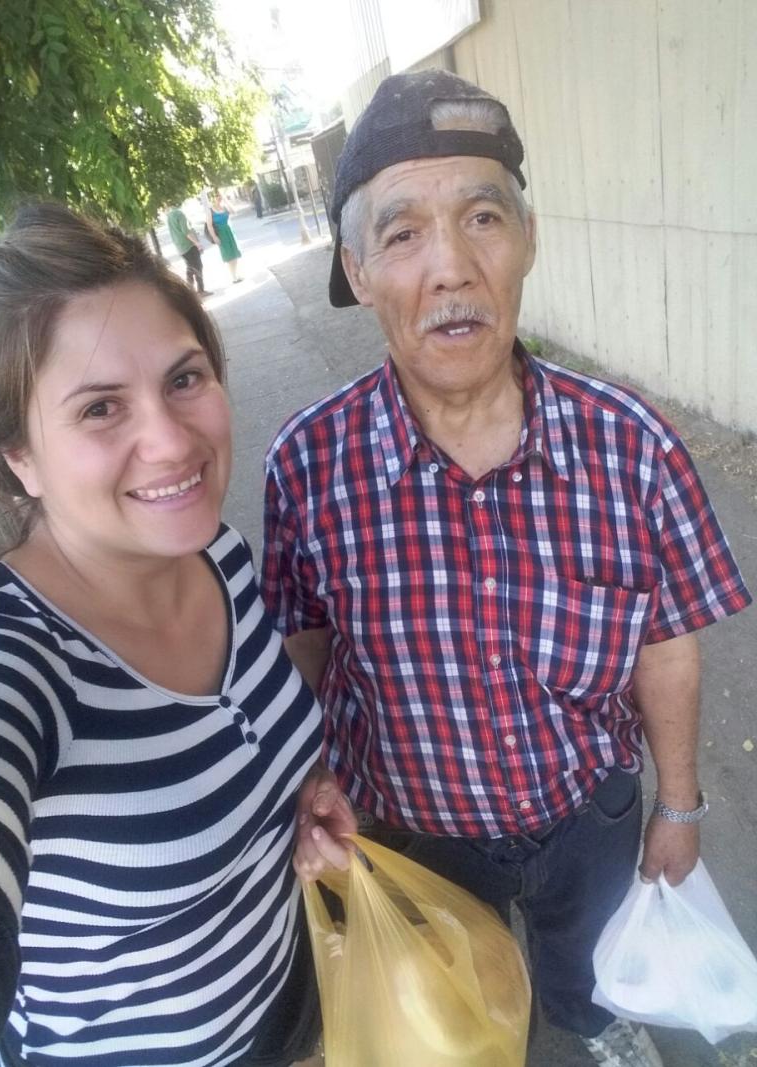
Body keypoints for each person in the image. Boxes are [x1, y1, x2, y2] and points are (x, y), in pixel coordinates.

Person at [261, 69, 752, 1067]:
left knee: (581, 971)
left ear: (527, 238)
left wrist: (677, 806)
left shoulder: (632, 447)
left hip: (587, 815)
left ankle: (589, 1019)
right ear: (357, 269)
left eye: (483, 218)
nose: (451, 266)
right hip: (412, 830)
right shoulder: (306, 467)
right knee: (458, 1010)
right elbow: (301, 650)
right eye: (403, 234)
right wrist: (306, 790)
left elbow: (665, 647)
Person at [0, 202, 354, 1067]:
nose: (172, 442)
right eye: (101, 408)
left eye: (183, 378)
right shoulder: (3, 662)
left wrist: (294, 795)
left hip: (290, 1008)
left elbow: (225, 752)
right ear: (18, 457)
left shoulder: (220, 553)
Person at [166, 203, 212, 296]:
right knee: (197, 267)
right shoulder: (180, 214)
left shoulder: (169, 215)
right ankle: (200, 291)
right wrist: (197, 243)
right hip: (189, 245)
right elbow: (186, 231)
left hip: (180, 246)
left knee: (190, 268)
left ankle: (189, 291)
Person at [207, 192, 243, 284]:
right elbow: (209, 225)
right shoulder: (210, 210)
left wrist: (226, 200)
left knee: (234, 253)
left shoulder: (224, 207)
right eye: (217, 196)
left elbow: (234, 211)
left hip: (228, 232)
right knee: (228, 255)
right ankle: (233, 277)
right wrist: (214, 237)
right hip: (220, 234)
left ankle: (236, 274)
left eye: (220, 196)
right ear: (212, 198)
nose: (219, 198)